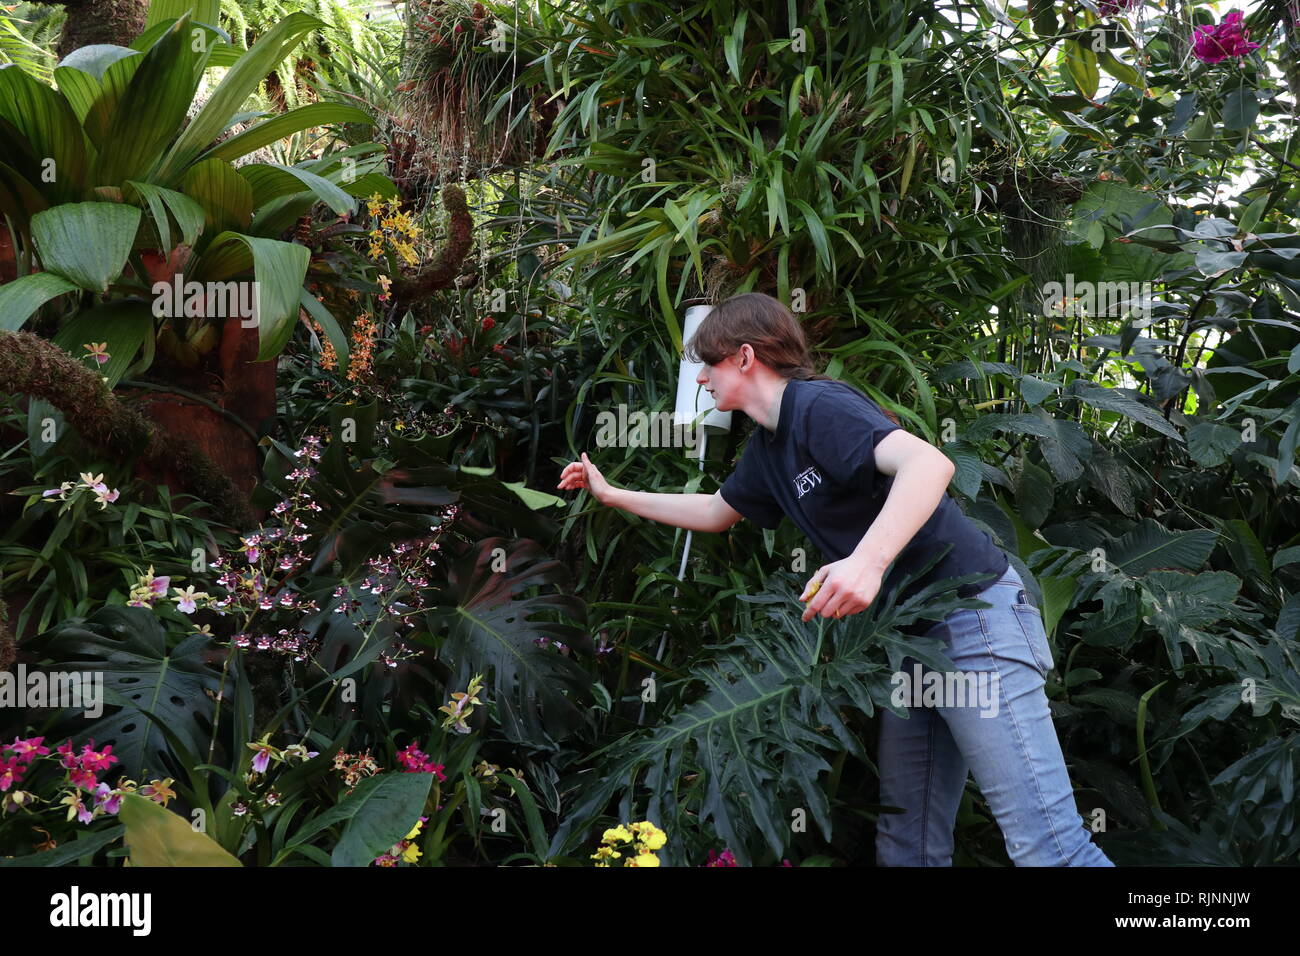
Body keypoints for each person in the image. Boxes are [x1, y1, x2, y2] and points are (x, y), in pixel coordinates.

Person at [556, 292, 1113, 867]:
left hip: (974, 619)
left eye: (710, 363)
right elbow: (717, 513)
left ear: (745, 357)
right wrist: (612, 493)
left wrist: (866, 564)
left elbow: (930, 465)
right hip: (906, 639)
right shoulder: (767, 448)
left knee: (1049, 849)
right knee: (908, 848)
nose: (700, 379)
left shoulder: (818, 405)